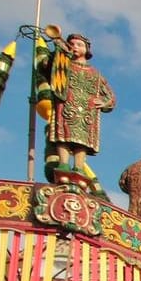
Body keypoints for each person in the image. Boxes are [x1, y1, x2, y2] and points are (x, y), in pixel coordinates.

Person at [37, 31, 115, 184]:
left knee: (82, 141)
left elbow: (110, 96)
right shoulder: (64, 64)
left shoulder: (95, 73)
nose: (75, 47)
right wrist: (59, 46)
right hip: (66, 105)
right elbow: (45, 66)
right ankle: (64, 164)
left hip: (86, 110)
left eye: (79, 45)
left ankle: (78, 167)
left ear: (86, 49)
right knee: (63, 136)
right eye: (72, 44)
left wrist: (104, 102)